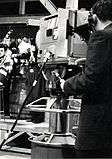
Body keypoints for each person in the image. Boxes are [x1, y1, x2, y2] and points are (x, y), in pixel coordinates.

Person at [60, 0, 112, 157]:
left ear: (94, 18)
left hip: (98, 128)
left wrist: (66, 85)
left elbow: (91, 80)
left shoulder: (101, 37)